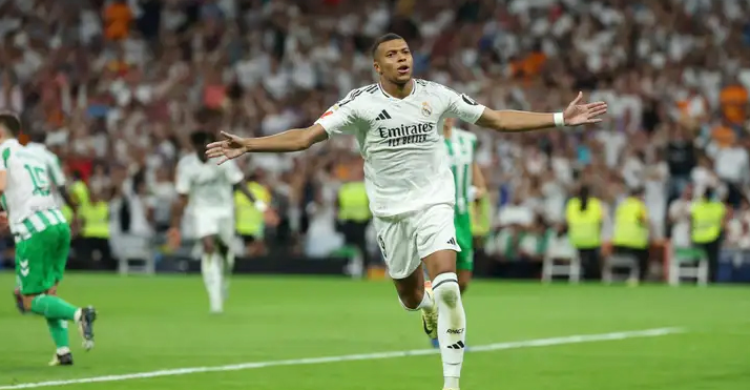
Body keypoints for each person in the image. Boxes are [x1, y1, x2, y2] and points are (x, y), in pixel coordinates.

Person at [204, 33, 607, 390]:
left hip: (435, 202)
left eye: (407, 52)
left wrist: (559, 118)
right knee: (413, 297)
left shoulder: (437, 94)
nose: (403, 58)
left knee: (448, 284)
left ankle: (451, 383)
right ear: (377, 66)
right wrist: (250, 144)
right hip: (390, 213)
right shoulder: (360, 104)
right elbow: (305, 137)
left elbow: (497, 119)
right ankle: (425, 307)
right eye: (393, 54)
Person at [0, 112, 96, 366]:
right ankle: (63, 351)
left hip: (34, 232)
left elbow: (1, 185)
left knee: (29, 299)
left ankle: (79, 314)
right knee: (49, 294)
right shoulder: (36, 156)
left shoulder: (2, 153)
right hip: (56, 223)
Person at [168, 130, 272, 314]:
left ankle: (224, 280)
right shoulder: (186, 165)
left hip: (225, 211)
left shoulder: (223, 158)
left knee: (225, 253)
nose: (206, 149)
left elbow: (239, 183)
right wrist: (175, 225)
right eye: (202, 146)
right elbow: (182, 197)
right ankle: (215, 300)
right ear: (195, 147)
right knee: (208, 248)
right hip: (202, 212)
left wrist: (260, 206)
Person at [565, 185, 604, 280]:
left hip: (576, 239)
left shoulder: (572, 204)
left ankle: (580, 277)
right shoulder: (595, 204)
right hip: (592, 239)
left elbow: (568, 221)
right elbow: (600, 222)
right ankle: (593, 279)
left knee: (580, 261)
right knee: (593, 263)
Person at [690, 186, 727, 282]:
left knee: (696, 261)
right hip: (712, 236)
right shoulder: (718, 207)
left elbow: (691, 221)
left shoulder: (697, 206)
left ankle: (694, 280)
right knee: (712, 261)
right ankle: (711, 280)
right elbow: (723, 223)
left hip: (698, 237)